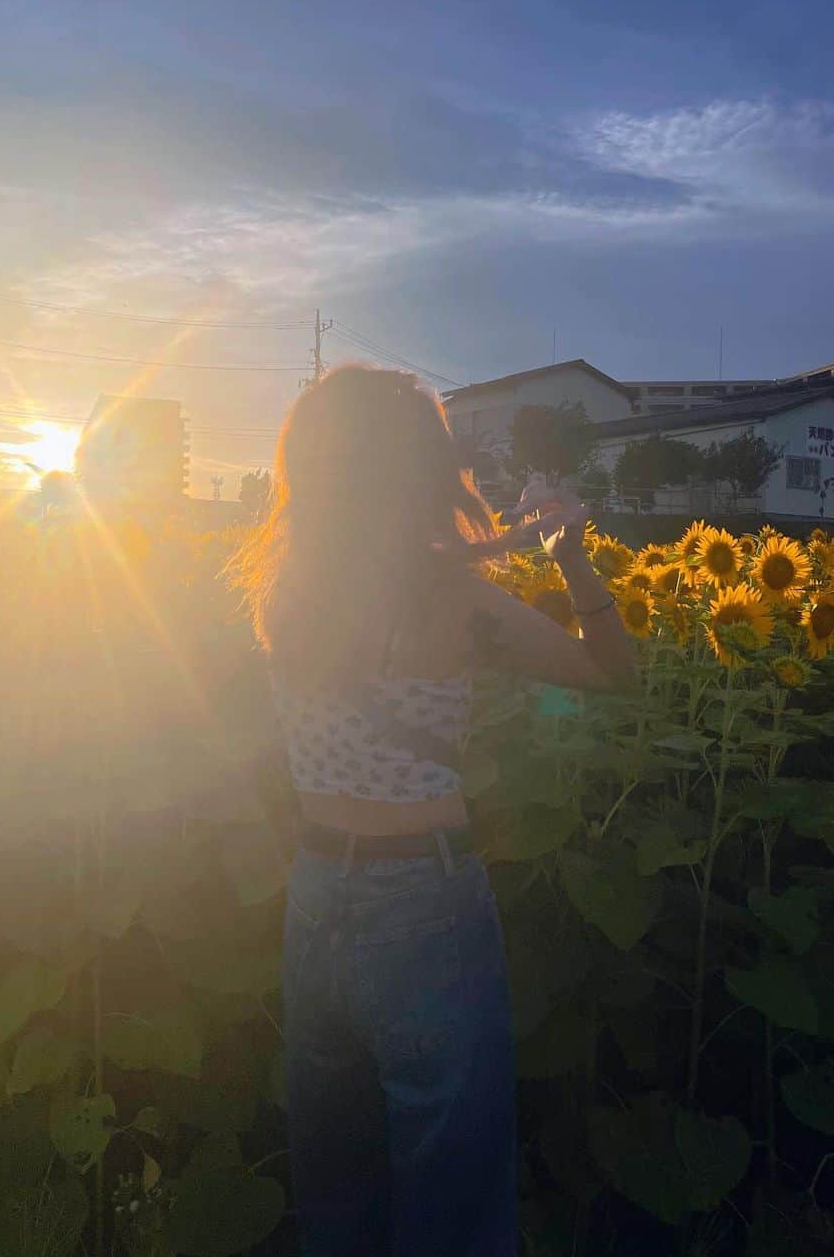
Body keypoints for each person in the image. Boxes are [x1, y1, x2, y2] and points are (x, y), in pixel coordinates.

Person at [228, 365, 635, 1257]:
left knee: (336, 1178)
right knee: (452, 1184)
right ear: (418, 466)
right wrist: (566, 552)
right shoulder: (450, 597)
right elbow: (610, 672)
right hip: (424, 903)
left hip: (315, 895)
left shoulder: (284, 592)